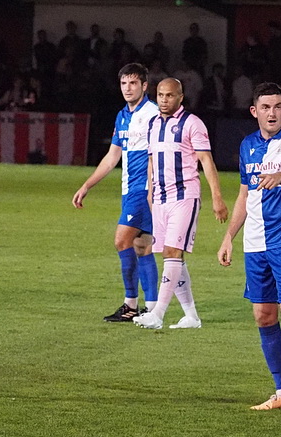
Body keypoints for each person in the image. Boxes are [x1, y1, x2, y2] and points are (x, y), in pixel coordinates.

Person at [217, 82, 281, 417]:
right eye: (265, 107)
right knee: (263, 316)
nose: (271, 113)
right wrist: (230, 235)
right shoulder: (247, 146)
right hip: (255, 243)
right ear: (254, 111)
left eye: (277, 106)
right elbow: (244, 194)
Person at [134, 78, 228, 330]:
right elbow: (152, 161)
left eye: (169, 95)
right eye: (161, 95)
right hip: (160, 198)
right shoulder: (152, 124)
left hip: (184, 196)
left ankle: (158, 314)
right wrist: (150, 193)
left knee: (173, 252)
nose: (164, 100)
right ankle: (191, 317)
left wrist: (217, 198)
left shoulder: (192, 123)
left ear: (181, 97)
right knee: (170, 254)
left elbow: (206, 161)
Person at [72, 63, 159, 323]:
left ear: (144, 86)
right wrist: (87, 185)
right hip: (128, 189)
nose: (128, 88)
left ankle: (131, 304)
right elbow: (112, 157)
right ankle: (153, 308)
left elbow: (157, 156)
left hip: (143, 191)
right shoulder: (122, 115)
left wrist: (153, 194)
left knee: (122, 241)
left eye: (133, 83)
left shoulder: (153, 114)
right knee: (141, 246)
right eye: (124, 83)